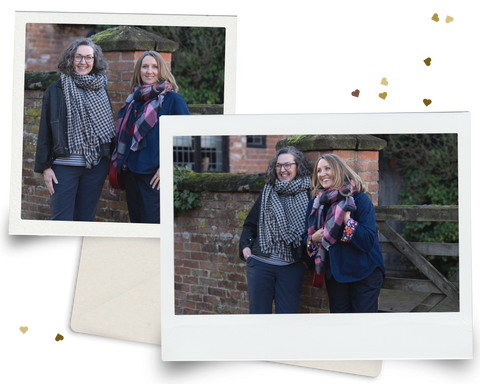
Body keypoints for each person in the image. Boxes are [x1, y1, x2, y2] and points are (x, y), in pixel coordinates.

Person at [34, 38, 115, 221]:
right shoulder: (56, 89)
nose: (83, 62)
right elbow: (45, 130)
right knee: (60, 221)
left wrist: (111, 164)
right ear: (71, 58)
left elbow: (108, 129)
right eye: (78, 57)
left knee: (85, 221)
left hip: (96, 166)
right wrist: (45, 167)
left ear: (95, 61)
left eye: (88, 57)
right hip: (64, 168)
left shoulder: (101, 89)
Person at [109, 50, 189, 223]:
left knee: (153, 228)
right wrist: (117, 169)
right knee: (137, 226)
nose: (149, 71)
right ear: (139, 70)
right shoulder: (133, 100)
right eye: (145, 66)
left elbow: (186, 138)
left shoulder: (173, 100)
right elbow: (125, 138)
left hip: (154, 176)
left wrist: (168, 166)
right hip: (131, 173)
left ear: (161, 70)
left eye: (154, 67)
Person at [303, 154, 386, 313]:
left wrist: (348, 221)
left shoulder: (359, 199)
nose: (322, 174)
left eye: (328, 168)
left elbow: (368, 240)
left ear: (339, 170)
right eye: (319, 170)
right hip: (337, 275)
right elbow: (305, 238)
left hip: (364, 273)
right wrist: (312, 239)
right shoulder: (316, 205)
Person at [239, 146, 314, 314]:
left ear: (298, 165)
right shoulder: (268, 191)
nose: (282, 170)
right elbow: (250, 224)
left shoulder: (310, 194)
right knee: (259, 319)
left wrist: (305, 262)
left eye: (287, 165)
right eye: (278, 165)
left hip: (292, 266)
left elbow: (316, 231)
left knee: (287, 321)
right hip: (260, 264)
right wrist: (245, 247)